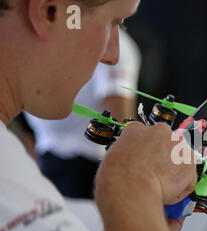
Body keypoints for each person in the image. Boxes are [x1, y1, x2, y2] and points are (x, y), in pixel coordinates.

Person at [0, 0, 197, 231]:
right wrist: (131, 180)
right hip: (81, 169)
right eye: (113, 23)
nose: (112, 54)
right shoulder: (5, 173)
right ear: (49, 11)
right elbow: (118, 121)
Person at [25, 29, 141, 199]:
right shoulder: (47, 35)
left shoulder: (112, 45)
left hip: (87, 170)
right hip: (45, 160)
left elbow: (120, 129)